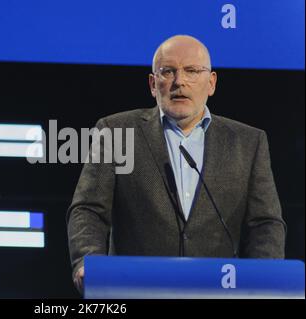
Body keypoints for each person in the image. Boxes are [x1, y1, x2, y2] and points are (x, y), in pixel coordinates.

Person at [66, 35, 286, 294]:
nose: (179, 81)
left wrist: (262, 281)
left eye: (192, 71)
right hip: (136, 289)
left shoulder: (249, 142)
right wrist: (88, 261)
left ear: (211, 82)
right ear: (152, 83)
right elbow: (88, 209)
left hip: (219, 293)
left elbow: (265, 224)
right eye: (168, 71)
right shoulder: (115, 131)